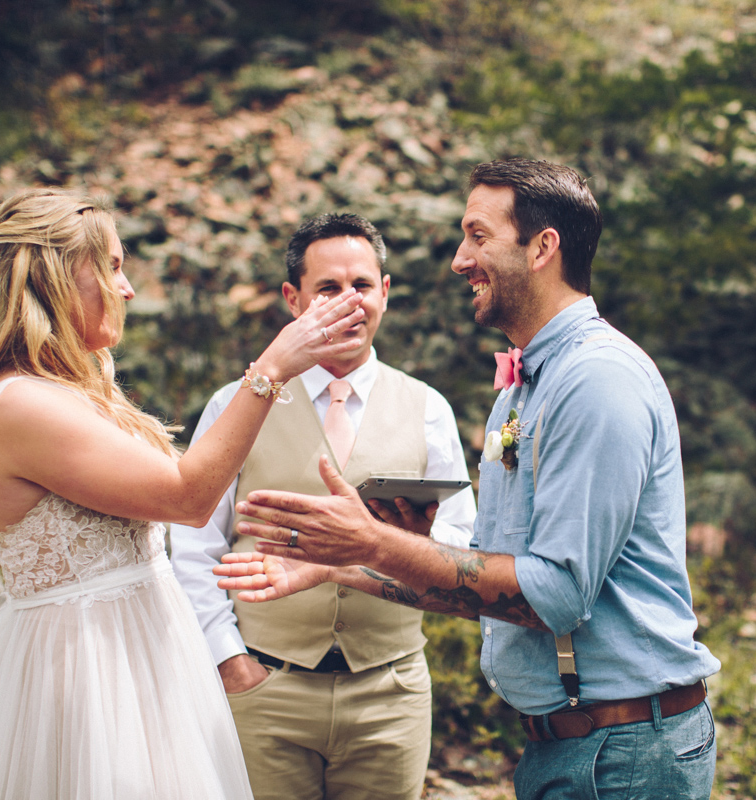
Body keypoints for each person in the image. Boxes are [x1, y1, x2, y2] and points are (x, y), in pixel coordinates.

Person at [215, 159, 723, 800]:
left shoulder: (596, 379)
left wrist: (374, 543)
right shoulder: (522, 388)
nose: (459, 259)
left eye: (478, 236)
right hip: (570, 746)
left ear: (542, 247)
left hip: (624, 755)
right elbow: (488, 579)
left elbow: (555, 595)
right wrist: (339, 565)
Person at [0, 188, 365, 800]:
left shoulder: (67, 390)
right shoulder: (19, 403)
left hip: (144, 661)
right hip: (90, 678)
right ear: (51, 279)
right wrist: (273, 368)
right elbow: (187, 498)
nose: (127, 289)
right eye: (112, 267)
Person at [170, 212, 476, 800]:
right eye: (328, 289)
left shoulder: (428, 408)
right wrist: (230, 663)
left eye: (361, 285)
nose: (348, 302)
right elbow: (193, 544)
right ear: (294, 299)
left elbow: (459, 550)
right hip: (265, 688)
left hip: (391, 693)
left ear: (385, 292)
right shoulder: (235, 404)